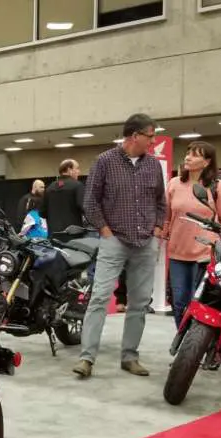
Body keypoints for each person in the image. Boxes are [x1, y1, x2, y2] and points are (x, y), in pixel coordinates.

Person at [74, 113, 166, 378]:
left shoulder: (153, 166)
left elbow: (160, 201)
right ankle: (86, 358)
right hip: (114, 239)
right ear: (134, 135)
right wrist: (105, 230)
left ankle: (130, 357)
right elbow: (91, 202)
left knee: (139, 302)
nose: (153, 141)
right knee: (100, 297)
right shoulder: (105, 162)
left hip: (145, 241)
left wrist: (158, 228)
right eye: (150, 135)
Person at [161, 141, 221, 330]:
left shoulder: (219, 187)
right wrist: (161, 234)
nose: (187, 157)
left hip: (205, 254)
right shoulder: (174, 183)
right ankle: (183, 346)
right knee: (179, 303)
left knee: (201, 303)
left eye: (194, 155)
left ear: (206, 161)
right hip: (178, 252)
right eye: (188, 153)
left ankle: (197, 346)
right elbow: (166, 217)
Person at [40, 159, 86, 239]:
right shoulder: (78, 186)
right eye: (77, 168)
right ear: (69, 169)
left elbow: (42, 213)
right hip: (73, 236)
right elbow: (84, 208)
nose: (79, 171)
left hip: (54, 236)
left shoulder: (49, 188)